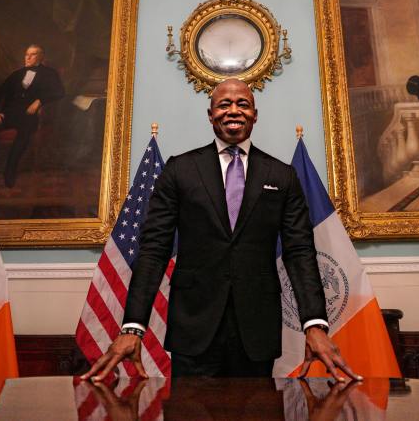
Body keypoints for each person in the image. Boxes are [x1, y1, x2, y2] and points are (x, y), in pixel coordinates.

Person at [81, 79, 361, 382]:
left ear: (255, 114)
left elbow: (300, 253)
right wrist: (133, 326)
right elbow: (153, 251)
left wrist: (314, 324)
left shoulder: (282, 175)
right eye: (224, 104)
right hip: (194, 329)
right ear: (210, 114)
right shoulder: (179, 170)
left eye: (242, 103)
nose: (233, 110)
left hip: (256, 331)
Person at [0, 44, 64, 187]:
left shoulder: (50, 74)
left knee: (24, 133)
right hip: (9, 113)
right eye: (26, 54)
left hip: (29, 115)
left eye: (33, 54)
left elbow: (60, 92)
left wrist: (39, 101)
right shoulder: (16, 74)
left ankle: (10, 171)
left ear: (41, 57)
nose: (28, 57)